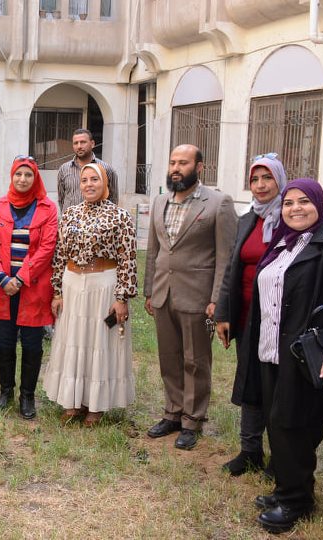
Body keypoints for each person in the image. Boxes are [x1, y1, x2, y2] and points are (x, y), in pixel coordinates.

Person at [245, 178, 323, 533]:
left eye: (304, 201)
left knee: (293, 424)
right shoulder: (283, 242)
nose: (295, 208)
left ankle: (296, 501)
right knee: (277, 421)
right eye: (289, 203)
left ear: (319, 204)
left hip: (306, 354)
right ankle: (288, 489)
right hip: (271, 350)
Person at [143, 144, 236, 450]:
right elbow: (154, 251)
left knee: (195, 360)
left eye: (183, 163)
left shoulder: (218, 203)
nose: (175, 168)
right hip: (163, 293)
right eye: (172, 162)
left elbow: (225, 258)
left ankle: (192, 420)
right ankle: (172, 412)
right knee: (169, 357)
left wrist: (217, 299)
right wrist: (149, 290)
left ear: (199, 167)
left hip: (198, 297)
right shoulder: (160, 201)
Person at [43, 163, 138, 426]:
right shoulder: (70, 214)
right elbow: (60, 255)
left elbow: (128, 259)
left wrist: (121, 298)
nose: (88, 184)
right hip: (73, 284)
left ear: (105, 183)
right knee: (74, 340)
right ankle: (73, 401)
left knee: (99, 342)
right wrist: (57, 292)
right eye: (84, 180)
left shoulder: (120, 216)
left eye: (94, 179)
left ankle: (95, 405)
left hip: (103, 285)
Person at [213, 154, 287, 476]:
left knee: (278, 389)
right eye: (255, 179)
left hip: (280, 321)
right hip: (246, 318)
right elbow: (231, 269)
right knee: (250, 383)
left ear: (280, 181)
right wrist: (223, 314)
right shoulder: (247, 220)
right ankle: (250, 451)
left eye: (267, 178)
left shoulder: (292, 218)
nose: (260, 185)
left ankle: (281, 457)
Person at [0, 155, 57, 419]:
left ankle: (27, 396)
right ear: (12, 177)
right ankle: (5, 392)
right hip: (2, 287)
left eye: (28, 175)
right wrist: (1, 277)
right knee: (4, 343)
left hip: (33, 287)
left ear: (35, 178)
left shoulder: (48, 208)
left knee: (32, 345)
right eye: (18, 174)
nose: (23, 179)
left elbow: (47, 248)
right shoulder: (0, 205)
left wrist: (20, 279)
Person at [56, 128, 119, 212]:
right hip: (71, 218)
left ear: (92, 144)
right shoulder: (64, 169)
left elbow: (113, 199)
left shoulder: (106, 169)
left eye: (83, 142)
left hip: (98, 218)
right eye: (76, 143)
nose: (79, 146)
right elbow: (61, 199)